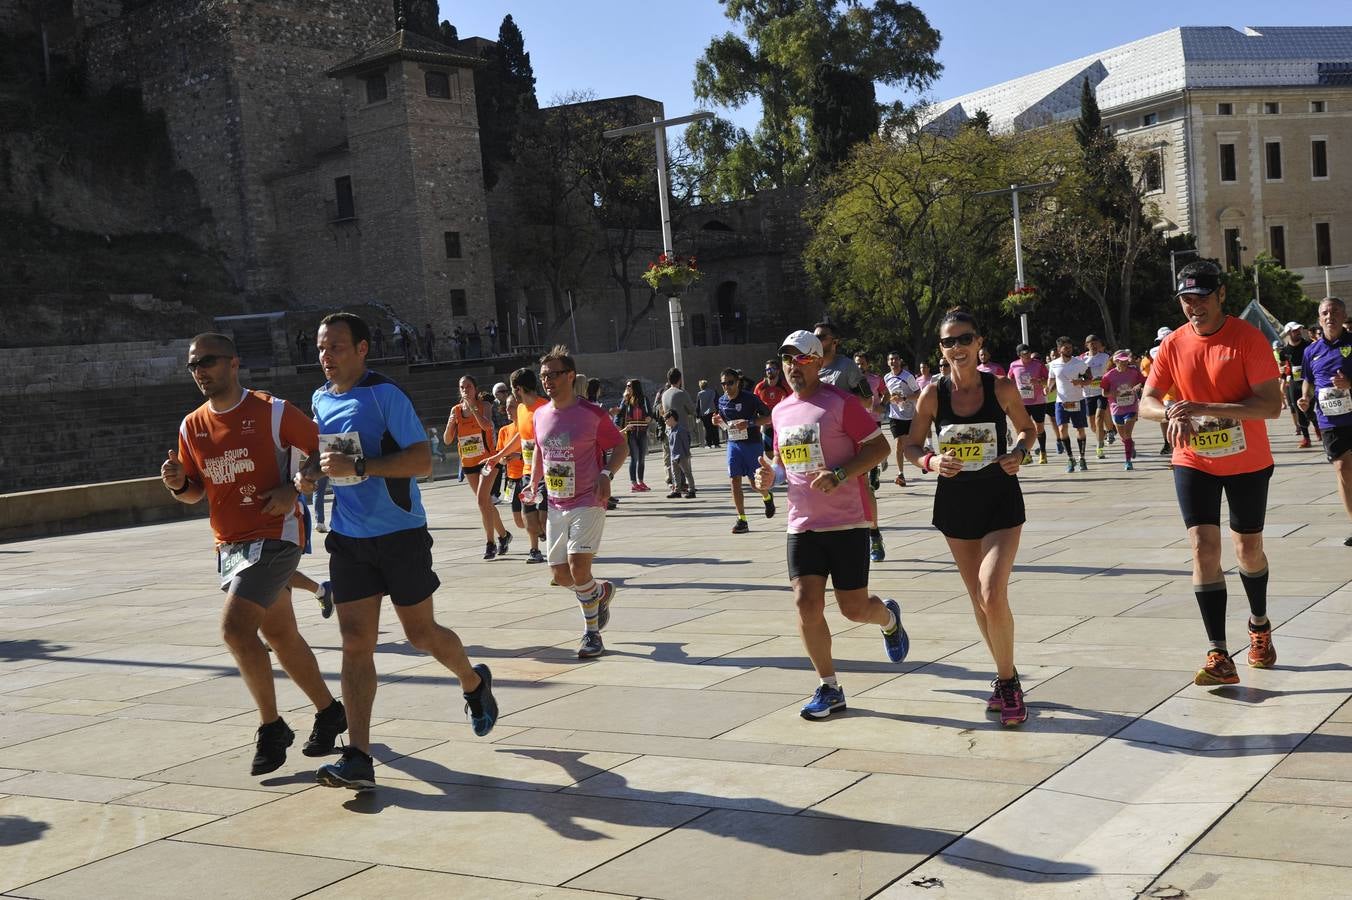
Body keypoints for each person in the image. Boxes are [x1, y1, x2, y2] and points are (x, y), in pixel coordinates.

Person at [305, 312, 497, 790]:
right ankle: (359, 756)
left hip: (400, 533)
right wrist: (308, 472)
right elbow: (324, 452)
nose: (327, 357)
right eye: (321, 349)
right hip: (349, 538)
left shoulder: (385, 395)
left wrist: (364, 464)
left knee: (421, 634)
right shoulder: (320, 399)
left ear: (363, 349)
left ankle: (473, 682)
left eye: (336, 348)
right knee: (355, 642)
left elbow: (423, 461)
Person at [163, 333, 346, 776]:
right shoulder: (192, 426)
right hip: (230, 544)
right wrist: (175, 483)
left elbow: (330, 448)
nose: (199, 371)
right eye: (193, 365)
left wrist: (294, 487)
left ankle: (272, 727)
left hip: (276, 533)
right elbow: (195, 492)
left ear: (234, 363)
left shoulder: (272, 411)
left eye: (207, 361)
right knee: (281, 635)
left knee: (235, 629)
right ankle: (329, 711)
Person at [752, 330, 909, 721]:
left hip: (846, 523)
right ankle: (829, 686)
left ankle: (888, 618)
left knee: (854, 610)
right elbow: (785, 462)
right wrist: (770, 477)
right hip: (801, 523)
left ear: (819, 362)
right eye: (786, 359)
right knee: (806, 604)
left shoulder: (840, 403)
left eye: (801, 359)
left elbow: (879, 448)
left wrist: (840, 473)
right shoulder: (781, 411)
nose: (792, 367)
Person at [1139, 261, 1282, 687]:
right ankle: (1218, 652)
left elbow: (1270, 406)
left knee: (1247, 550)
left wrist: (1205, 407)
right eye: (1186, 300)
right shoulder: (1173, 345)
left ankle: (1258, 626)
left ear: (1220, 295)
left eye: (1201, 298)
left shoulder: (1247, 339)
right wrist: (1167, 411)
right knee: (1203, 547)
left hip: (1247, 461)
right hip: (1193, 459)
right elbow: (1146, 400)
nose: (1193, 307)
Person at [902, 309, 1036, 726]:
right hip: (956, 504)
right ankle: (1005, 675)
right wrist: (929, 460)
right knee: (979, 600)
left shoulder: (1000, 387)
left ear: (979, 343)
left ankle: (1008, 683)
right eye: (948, 342)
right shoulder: (932, 395)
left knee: (991, 590)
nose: (957, 348)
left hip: (1000, 500)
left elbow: (1028, 429)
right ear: (940, 349)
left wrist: (1019, 453)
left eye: (964, 339)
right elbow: (909, 444)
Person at [521, 346, 628, 658]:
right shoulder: (540, 414)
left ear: (570, 376)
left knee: (578, 568)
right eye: (543, 376)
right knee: (560, 575)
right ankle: (600, 593)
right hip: (555, 502)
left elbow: (620, 445)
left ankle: (591, 634)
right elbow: (541, 449)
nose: (547, 381)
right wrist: (532, 480)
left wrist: (607, 472)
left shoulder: (592, 414)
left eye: (553, 375)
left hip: (589, 500)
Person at [813, 321, 885, 562]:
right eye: (815, 337)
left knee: (863, 488)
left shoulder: (847, 368)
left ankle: (874, 534)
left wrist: (839, 401)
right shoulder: (810, 366)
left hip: (851, 440)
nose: (818, 341)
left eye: (822, 337)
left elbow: (866, 400)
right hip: (821, 442)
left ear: (835, 341)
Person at [1298, 297, 1352, 545]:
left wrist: (1348, 384)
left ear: (1343, 316)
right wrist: (1305, 397)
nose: (1329, 316)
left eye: (1335, 312)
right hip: (1329, 418)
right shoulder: (1311, 351)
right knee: (1342, 469)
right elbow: (1308, 379)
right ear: (1319, 318)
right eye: (1324, 313)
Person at [482, 368, 549, 563]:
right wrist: (499, 455)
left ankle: (558, 551)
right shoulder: (521, 409)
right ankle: (534, 550)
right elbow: (521, 435)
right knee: (528, 520)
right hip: (527, 471)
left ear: (518, 388)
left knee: (544, 520)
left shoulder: (544, 408)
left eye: (512, 389)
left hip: (546, 472)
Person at [444, 376, 511, 560]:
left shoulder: (484, 406)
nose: (465, 390)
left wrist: (473, 409)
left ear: (475, 388)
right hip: (468, 463)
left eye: (469, 387)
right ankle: (504, 536)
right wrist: (451, 423)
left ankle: (490, 543)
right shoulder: (456, 411)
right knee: (486, 503)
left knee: (482, 501)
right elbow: (447, 440)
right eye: (462, 387)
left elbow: (487, 426)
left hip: (488, 460)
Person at [712, 367, 774, 533]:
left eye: (730, 383)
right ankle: (742, 519)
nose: (727, 387)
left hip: (752, 444)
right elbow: (724, 421)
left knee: (755, 483)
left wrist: (750, 423)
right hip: (734, 444)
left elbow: (768, 417)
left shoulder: (751, 398)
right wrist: (717, 420)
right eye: (723, 384)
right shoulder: (722, 400)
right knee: (734, 480)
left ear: (738, 382)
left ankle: (767, 497)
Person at [1048, 336, 1091, 473]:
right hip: (1061, 402)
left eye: (1070, 347)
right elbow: (1051, 381)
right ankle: (1070, 457)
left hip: (1077, 400)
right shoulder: (1053, 364)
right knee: (1062, 430)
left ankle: (1082, 457)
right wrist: (1048, 389)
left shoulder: (1079, 363)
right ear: (1059, 349)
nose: (1069, 350)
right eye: (1066, 348)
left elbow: (1090, 379)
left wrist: (1081, 383)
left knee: (1080, 429)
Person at [1100, 349, 1146, 470]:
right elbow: (1104, 393)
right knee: (1123, 436)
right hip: (1116, 408)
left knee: (1128, 433)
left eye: (1126, 361)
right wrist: (1112, 393)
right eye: (1122, 361)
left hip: (1131, 406)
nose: (1125, 363)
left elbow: (1144, 382)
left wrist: (1138, 386)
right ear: (1116, 362)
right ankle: (1130, 445)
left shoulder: (1134, 372)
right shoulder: (1108, 375)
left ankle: (1128, 461)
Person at [882, 351, 921, 485]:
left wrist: (904, 398)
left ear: (900, 361)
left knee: (910, 445)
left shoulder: (908, 377)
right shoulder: (886, 377)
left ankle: (924, 459)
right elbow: (887, 393)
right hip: (895, 415)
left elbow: (918, 394)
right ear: (888, 362)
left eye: (895, 359)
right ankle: (901, 474)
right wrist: (882, 402)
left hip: (910, 415)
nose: (893, 362)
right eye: (891, 359)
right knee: (899, 444)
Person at [1278, 320, 1319, 448]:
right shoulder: (1284, 351)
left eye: (1299, 330)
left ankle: (1317, 426)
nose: (1298, 332)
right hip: (1294, 383)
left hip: (1309, 381)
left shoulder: (1309, 346)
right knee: (1298, 409)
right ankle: (1306, 438)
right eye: (1295, 330)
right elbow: (1282, 365)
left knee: (1309, 411)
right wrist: (1281, 371)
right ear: (1288, 333)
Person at [1007, 344, 1050, 464]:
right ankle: (1026, 454)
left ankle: (1043, 452)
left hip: (1038, 401)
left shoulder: (1038, 364)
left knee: (1039, 427)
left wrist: (1038, 381)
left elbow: (1048, 380)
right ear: (1019, 355)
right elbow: (1009, 380)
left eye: (1028, 353)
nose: (1027, 356)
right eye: (1024, 354)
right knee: (1022, 429)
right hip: (1022, 402)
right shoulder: (1014, 365)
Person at [615, 378, 652, 492]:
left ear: (635, 387)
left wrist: (649, 418)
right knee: (634, 458)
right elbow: (619, 415)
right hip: (631, 432)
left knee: (642, 459)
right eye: (627, 386)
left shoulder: (644, 399)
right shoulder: (625, 400)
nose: (627, 387)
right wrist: (619, 428)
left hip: (642, 431)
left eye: (629, 385)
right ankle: (634, 483)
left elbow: (650, 412)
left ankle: (641, 481)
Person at [1082, 334, 1113, 457]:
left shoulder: (1105, 357)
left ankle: (1099, 447)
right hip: (1088, 394)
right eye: (1091, 343)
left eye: (1096, 342)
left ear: (1099, 344)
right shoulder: (1081, 359)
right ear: (1086, 345)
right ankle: (1104, 433)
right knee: (1092, 425)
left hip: (1101, 392)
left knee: (1099, 417)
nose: (1093, 345)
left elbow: (1111, 371)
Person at [754, 360, 791, 455]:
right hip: (767, 424)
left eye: (772, 369)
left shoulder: (786, 386)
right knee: (768, 452)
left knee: (785, 450)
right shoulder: (760, 387)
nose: (769, 371)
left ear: (778, 371)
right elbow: (754, 405)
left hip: (783, 424)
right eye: (767, 369)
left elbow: (793, 402)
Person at [666, 410, 696, 497]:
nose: (665, 422)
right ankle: (677, 491)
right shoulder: (670, 431)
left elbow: (686, 443)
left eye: (666, 419)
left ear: (672, 418)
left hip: (681, 455)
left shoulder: (681, 430)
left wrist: (687, 453)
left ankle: (692, 490)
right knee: (675, 474)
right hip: (673, 455)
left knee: (687, 473)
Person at [696, 379, 720, 448]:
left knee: (707, 428)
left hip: (704, 414)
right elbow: (716, 401)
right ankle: (716, 443)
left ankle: (709, 444)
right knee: (714, 427)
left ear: (701, 386)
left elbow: (698, 405)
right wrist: (718, 411)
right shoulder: (713, 392)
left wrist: (698, 415)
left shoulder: (699, 394)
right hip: (713, 412)